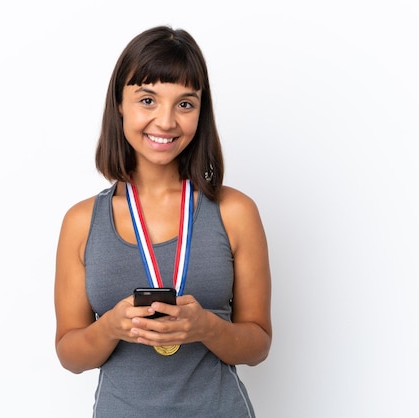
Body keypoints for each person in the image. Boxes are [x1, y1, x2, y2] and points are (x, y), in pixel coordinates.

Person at [54, 25, 272, 417]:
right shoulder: (82, 222)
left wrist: (205, 327)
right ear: (119, 103)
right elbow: (70, 356)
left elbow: (258, 345)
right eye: (148, 99)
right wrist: (111, 327)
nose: (166, 121)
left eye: (185, 104)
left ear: (200, 112)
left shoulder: (235, 212)